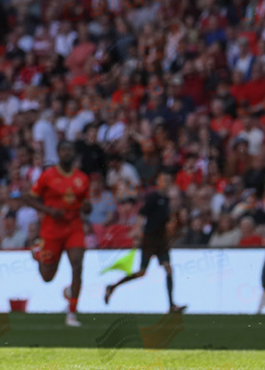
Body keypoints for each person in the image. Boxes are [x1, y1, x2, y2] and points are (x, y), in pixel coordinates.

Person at [26, 140, 91, 327]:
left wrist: (87, 207)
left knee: (77, 265)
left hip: (74, 227)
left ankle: (72, 313)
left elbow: (86, 205)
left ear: (73, 155)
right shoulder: (48, 176)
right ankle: (38, 254)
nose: (66, 154)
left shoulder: (82, 178)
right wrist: (48, 210)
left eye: (69, 151)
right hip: (51, 229)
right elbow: (29, 198)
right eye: (63, 150)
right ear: (58, 153)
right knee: (47, 277)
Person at [104, 172, 186, 313]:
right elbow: (142, 215)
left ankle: (172, 305)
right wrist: (137, 233)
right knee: (142, 272)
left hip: (161, 240)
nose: (166, 183)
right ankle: (112, 286)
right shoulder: (153, 197)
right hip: (149, 239)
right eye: (164, 180)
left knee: (168, 269)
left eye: (168, 180)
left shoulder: (167, 200)